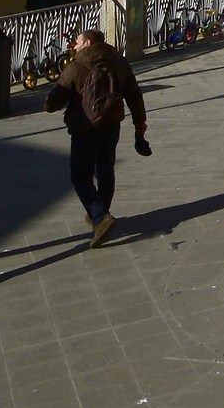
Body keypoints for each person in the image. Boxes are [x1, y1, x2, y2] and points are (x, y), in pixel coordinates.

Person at [46, 28, 150, 246]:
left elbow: (55, 100)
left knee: (80, 176)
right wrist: (139, 124)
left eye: (77, 42)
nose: (74, 46)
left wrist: (49, 102)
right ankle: (100, 214)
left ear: (88, 43)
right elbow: (134, 94)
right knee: (105, 170)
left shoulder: (76, 66)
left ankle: (100, 217)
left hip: (84, 127)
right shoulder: (119, 62)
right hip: (111, 124)